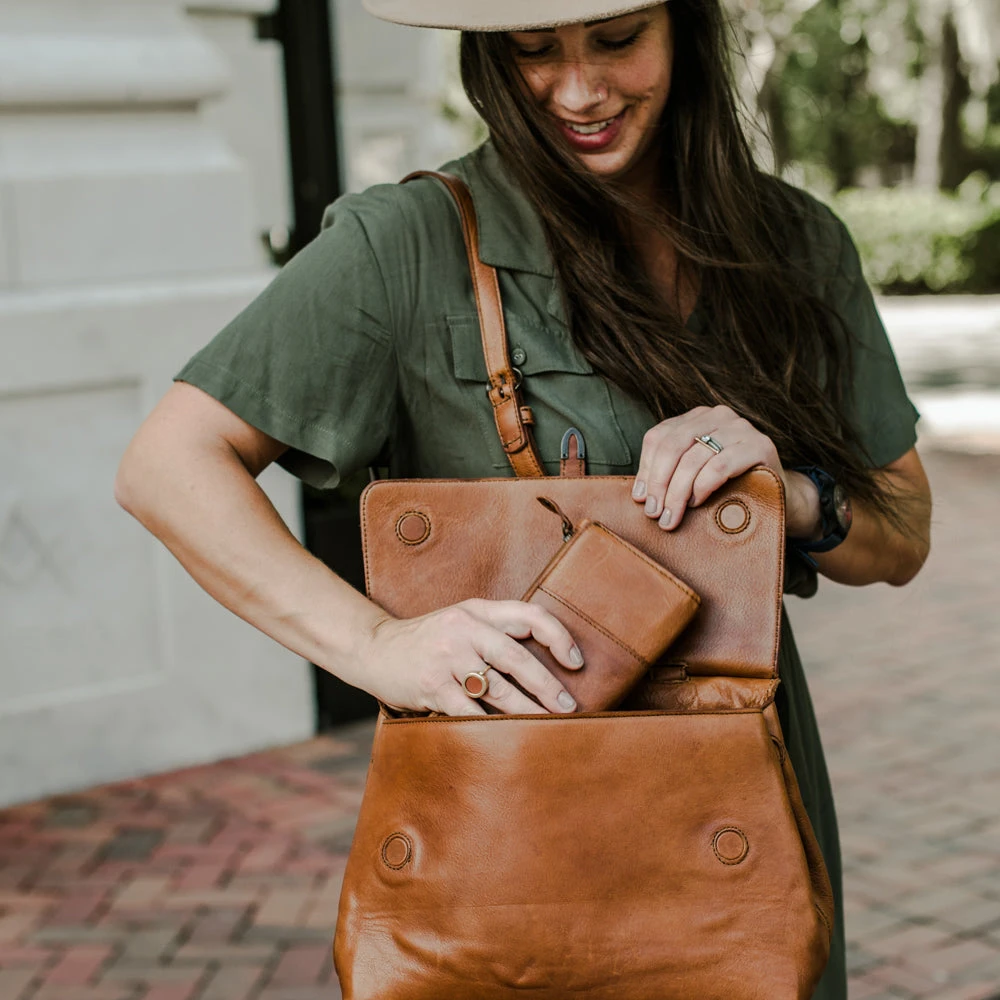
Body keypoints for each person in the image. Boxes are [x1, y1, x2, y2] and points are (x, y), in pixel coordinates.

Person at [115, 0, 933, 995]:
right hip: (511, 829)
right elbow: (168, 464)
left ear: (684, 26)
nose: (578, 91)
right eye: (534, 51)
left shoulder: (795, 244)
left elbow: (903, 531)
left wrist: (790, 497)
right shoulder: (406, 244)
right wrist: (377, 646)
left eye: (618, 39)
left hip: (738, 802)